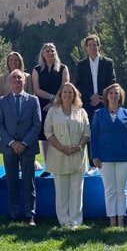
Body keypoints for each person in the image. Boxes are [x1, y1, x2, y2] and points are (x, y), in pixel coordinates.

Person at [0, 69, 41, 225]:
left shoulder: (34, 100)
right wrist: (12, 143)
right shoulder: (2, 101)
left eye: (19, 77)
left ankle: (30, 215)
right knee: (12, 182)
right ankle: (14, 214)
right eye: (13, 77)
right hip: (9, 148)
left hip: (28, 147)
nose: (16, 80)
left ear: (24, 81)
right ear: (9, 81)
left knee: (29, 182)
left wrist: (24, 143)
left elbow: (37, 125)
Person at [90, 83, 127, 227]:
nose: (113, 95)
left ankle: (121, 220)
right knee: (109, 190)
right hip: (104, 158)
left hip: (124, 156)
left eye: (116, 93)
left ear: (120, 96)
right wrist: (94, 156)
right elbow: (94, 136)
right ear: (106, 96)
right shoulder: (98, 114)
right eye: (111, 93)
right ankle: (112, 220)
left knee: (121, 190)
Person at [43, 82, 90, 228]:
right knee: (62, 190)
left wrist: (79, 146)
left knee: (76, 190)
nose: (67, 94)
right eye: (65, 92)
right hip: (58, 154)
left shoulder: (81, 111)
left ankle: (75, 221)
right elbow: (48, 132)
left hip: (77, 154)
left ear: (74, 94)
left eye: (70, 92)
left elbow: (87, 132)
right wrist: (61, 147)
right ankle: (64, 221)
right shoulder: (53, 111)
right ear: (60, 94)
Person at [75, 34, 116, 170]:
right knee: (89, 132)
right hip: (88, 104)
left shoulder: (108, 63)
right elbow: (79, 84)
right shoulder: (81, 65)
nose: (93, 47)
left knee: (105, 132)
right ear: (86, 48)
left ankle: (106, 161)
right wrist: (90, 97)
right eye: (90, 45)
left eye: (95, 44)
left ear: (99, 46)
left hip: (105, 102)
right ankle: (92, 164)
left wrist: (100, 96)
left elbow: (112, 82)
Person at [32, 43, 69, 177]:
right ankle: (48, 167)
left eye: (52, 51)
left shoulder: (63, 68)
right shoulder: (36, 70)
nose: (50, 53)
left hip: (61, 104)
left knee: (60, 135)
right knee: (45, 137)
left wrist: (54, 102)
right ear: (43, 54)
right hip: (42, 106)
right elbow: (36, 89)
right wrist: (51, 98)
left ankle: (62, 164)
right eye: (47, 51)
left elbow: (65, 86)